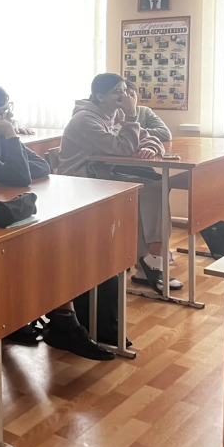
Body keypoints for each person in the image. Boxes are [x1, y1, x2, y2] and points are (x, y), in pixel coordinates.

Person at [0, 83, 113, 360]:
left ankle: (61, 320)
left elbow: (42, 166)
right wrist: (10, 147)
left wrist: (0, 176)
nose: (8, 117)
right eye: (1, 113)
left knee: (61, 240)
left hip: (1, 221)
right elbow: (21, 176)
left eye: (8, 109)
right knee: (49, 246)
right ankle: (58, 322)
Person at [58, 73, 180, 293]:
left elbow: (150, 137)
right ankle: (152, 260)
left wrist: (150, 147)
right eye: (117, 92)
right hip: (81, 181)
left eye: (125, 91)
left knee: (156, 187)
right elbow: (123, 148)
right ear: (99, 96)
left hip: (104, 175)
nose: (124, 96)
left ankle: (149, 262)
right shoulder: (85, 119)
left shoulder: (115, 114)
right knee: (146, 191)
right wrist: (132, 115)